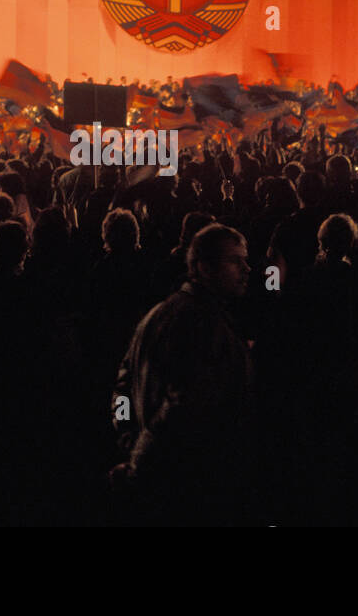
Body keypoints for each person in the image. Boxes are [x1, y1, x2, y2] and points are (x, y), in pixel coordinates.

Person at [112, 223, 254, 524]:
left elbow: (123, 385)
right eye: (235, 261)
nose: (247, 269)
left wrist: (126, 437)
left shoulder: (158, 314)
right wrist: (139, 461)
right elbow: (185, 408)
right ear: (204, 267)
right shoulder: (203, 325)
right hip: (192, 482)